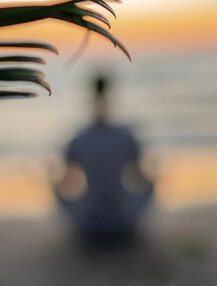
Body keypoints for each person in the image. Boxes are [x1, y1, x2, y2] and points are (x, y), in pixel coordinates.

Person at [54, 75, 154, 242]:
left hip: (88, 222)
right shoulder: (126, 136)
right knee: (152, 182)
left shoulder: (79, 139)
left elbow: (64, 184)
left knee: (55, 185)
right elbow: (142, 179)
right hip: (124, 221)